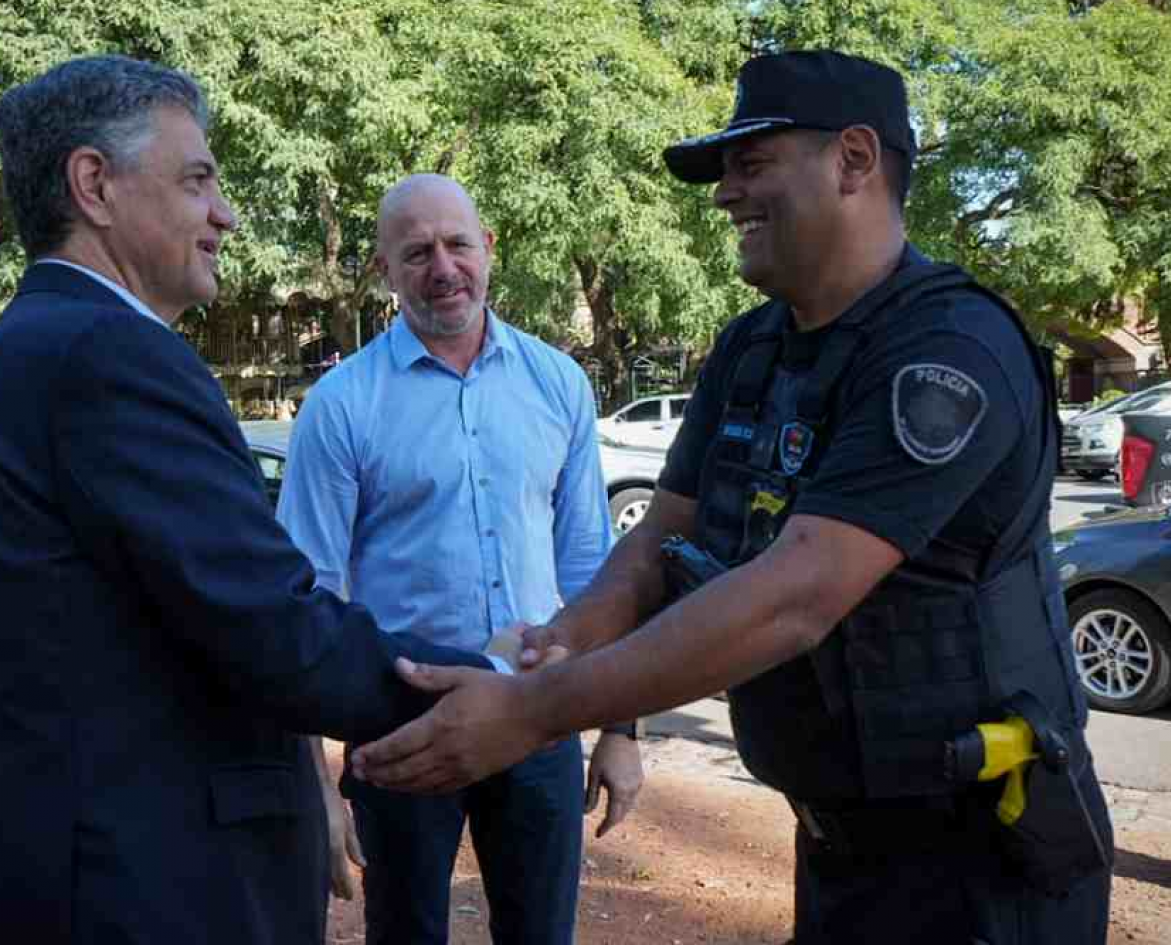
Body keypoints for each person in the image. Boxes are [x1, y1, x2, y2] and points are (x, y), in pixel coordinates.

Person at [349, 51, 1114, 944]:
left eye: (752, 164)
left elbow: (795, 598)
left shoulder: (948, 352)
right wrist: (561, 641)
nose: (724, 195)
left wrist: (532, 713)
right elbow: (659, 542)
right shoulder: (754, 351)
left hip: (981, 864)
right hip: (840, 846)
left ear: (854, 160)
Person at [0, 55, 499, 945]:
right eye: (196, 180)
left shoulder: (38, 343)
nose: (225, 213)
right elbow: (272, 628)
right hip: (123, 893)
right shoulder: (107, 353)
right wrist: (504, 687)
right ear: (94, 185)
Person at [277, 174, 644, 945]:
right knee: (406, 932)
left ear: (489, 249)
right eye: (416, 253)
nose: (443, 268)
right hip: (398, 719)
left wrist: (621, 729)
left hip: (538, 705)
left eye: (457, 244)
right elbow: (306, 599)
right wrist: (315, 783)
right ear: (383, 269)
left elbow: (592, 566)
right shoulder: (341, 406)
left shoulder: (558, 383)